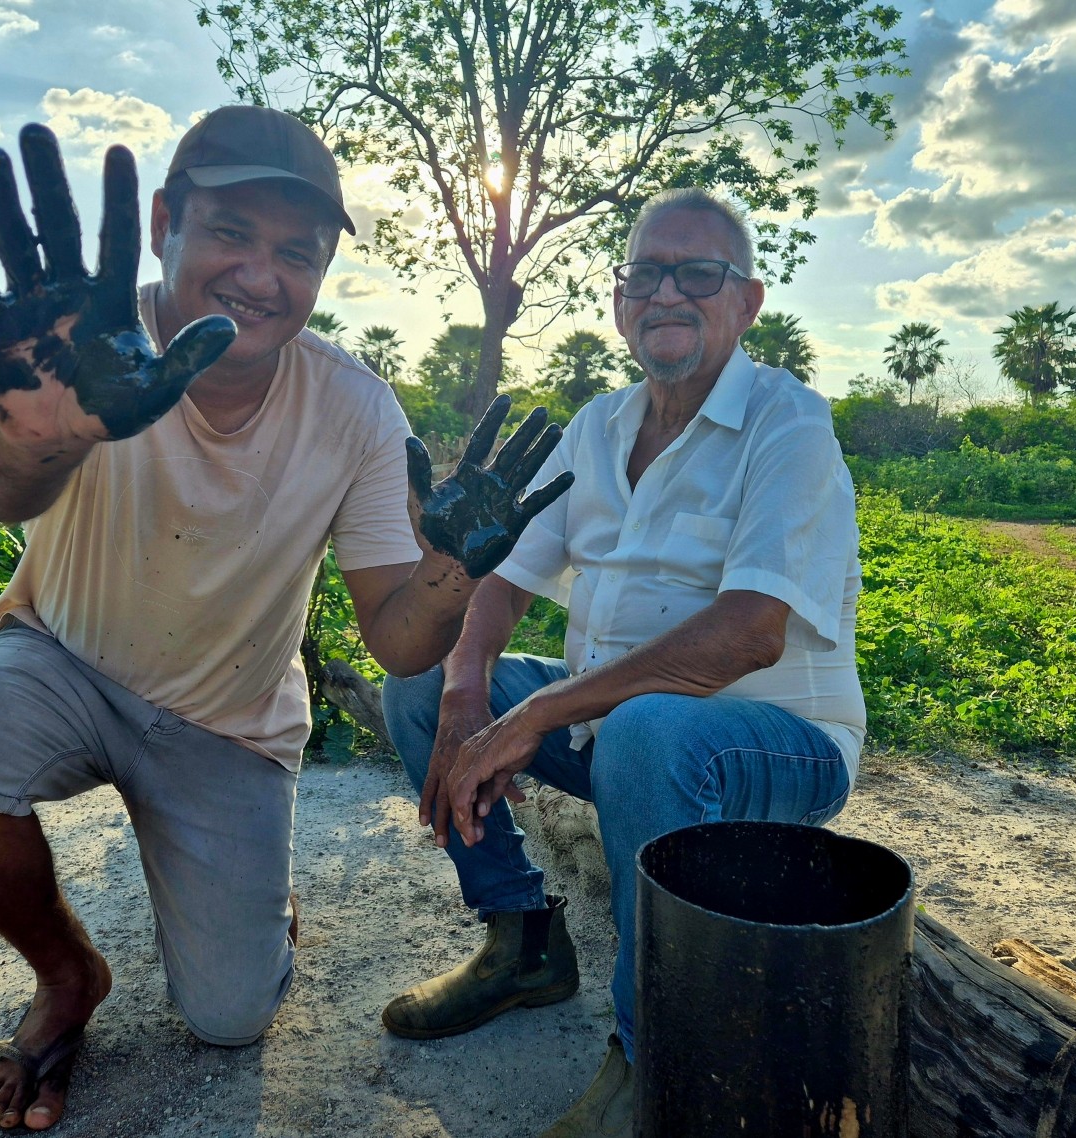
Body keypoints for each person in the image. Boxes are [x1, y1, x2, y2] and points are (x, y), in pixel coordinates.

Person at [0, 106, 567, 1132]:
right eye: (230, 234)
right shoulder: (82, 343)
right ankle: (67, 977)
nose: (261, 274)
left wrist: (452, 571)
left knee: (231, 1018)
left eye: (297, 251)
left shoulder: (357, 408)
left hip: (228, 724)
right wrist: (36, 425)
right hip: (59, 658)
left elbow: (397, 638)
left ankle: (252, 908)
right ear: (163, 225)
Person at [379, 187, 865, 1138]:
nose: (667, 293)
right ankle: (521, 940)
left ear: (748, 301)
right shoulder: (597, 427)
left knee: (646, 729)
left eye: (699, 273)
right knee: (424, 681)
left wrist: (535, 714)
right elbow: (505, 582)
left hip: (777, 746)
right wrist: (472, 691)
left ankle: (659, 1059)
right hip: (619, 738)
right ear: (618, 298)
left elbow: (750, 631)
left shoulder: (787, 423)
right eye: (645, 272)